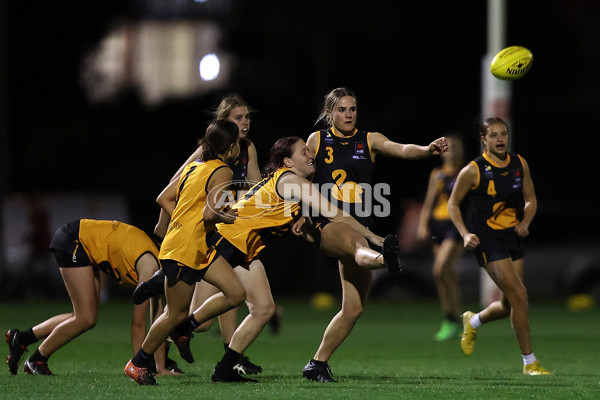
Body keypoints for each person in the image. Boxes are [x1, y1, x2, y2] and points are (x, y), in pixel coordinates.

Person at [171, 136, 400, 383]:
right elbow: (335, 214)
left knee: (263, 309)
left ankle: (218, 363)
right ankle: (156, 348)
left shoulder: (287, 181)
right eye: (304, 152)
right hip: (228, 242)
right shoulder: (294, 182)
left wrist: (305, 222)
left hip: (241, 246)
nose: (311, 155)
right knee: (211, 301)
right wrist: (374, 237)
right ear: (288, 161)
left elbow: (297, 225)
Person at [302, 87, 448, 382]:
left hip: (360, 224)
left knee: (353, 309)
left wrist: (426, 149)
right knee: (357, 245)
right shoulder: (317, 139)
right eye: (342, 109)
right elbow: (302, 177)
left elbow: (402, 148)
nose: (348, 114)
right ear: (329, 113)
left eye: (352, 109)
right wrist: (302, 213)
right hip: (329, 224)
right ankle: (385, 259)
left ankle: (316, 363)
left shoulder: (369, 139)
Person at [136, 94, 265, 374]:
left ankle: (230, 354)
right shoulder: (214, 163)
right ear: (223, 130)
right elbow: (180, 191)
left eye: (246, 116)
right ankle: (144, 360)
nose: (245, 122)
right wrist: (169, 227)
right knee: (182, 315)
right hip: (194, 241)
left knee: (234, 294)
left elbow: (253, 186)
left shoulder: (245, 150)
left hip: (214, 239)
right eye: (237, 118)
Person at [124, 119, 247, 386]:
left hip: (197, 244)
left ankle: (185, 327)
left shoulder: (195, 166)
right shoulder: (224, 170)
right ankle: (138, 363)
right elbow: (209, 213)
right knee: (172, 314)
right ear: (231, 146)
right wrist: (227, 217)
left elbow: (165, 198)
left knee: (236, 293)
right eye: (237, 142)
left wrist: (182, 222)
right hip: (185, 249)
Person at [5, 219, 178, 376]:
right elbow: (138, 324)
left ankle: (21, 339)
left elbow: (158, 319)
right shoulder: (150, 267)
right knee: (85, 318)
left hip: (83, 243)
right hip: (75, 240)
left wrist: (160, 367)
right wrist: (139, 368)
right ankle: (36, 360)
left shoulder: (158, 263)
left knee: (84, 317)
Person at [447, 117, 551, 375]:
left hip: (511, 236)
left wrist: (526, 221)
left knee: (509, 305)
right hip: (487, 240)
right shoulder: (473, 170)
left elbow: (531, 199)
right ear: (483, 139)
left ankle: (473, 320)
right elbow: (452, 204)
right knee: (521, 296)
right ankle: (530, 362)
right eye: (493, 135)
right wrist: (464, 233)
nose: (500, 139)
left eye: (503, 134)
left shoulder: (519, 163)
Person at [416, 134, 466, 341]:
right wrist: (422, 224)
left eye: (455, 146)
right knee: (447, 276)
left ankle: (451, 318)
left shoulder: (466, 171)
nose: (451, 150)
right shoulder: (437, 174)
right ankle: (457, 320)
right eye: (448, 146)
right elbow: (429, 202)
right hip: (438, 224)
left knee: (439, 270)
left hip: (456, 225)